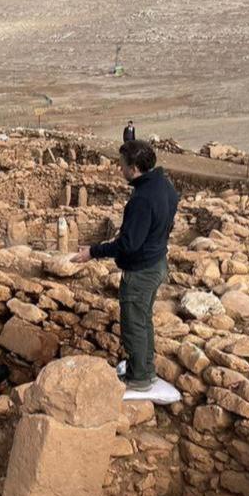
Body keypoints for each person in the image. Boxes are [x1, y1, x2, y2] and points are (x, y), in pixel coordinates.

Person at [72, 139, 178, 391]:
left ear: (134, 167)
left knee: (133, 325)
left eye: (122, 166)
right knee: (144, 321)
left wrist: (93, 252)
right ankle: (145, 370)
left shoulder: (142, 199)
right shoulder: (163, 184)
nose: (120, 171)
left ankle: (138, 378)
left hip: (141, 270)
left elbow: (128, 244)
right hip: (157, 261)